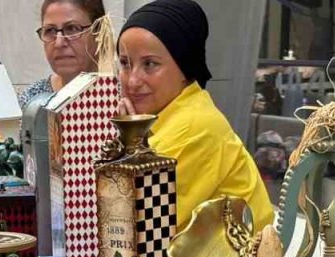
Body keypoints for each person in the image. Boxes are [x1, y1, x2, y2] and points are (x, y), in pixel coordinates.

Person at [117, 0, 274, 232]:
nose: (132, 81)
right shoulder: (167, 115)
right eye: (125, 63)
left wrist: (128, 144)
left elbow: (127, 222)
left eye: (150, 64)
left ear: (184, 67)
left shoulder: (193, 126)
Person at [19, 0, 104, 108]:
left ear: (100, 33)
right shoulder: (31, 101)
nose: (59, 43)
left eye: (72, 28)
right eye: (50, 31)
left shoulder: (121, 99)